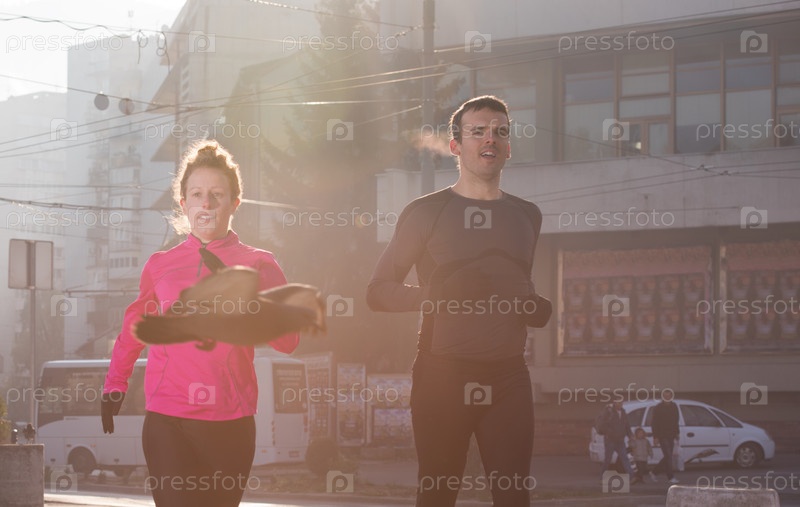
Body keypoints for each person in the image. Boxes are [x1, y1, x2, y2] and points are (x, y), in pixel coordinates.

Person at [367, 95, 551, 507]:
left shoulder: (528, 215)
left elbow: (519, 284)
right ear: (455, 145)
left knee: (514, 496)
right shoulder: (425, 212)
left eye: (500, 132)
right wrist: (435, 296)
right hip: (442, 376)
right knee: (437, 494)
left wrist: (534, 305)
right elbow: (377, 292)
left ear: (509, 146)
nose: (491, 139)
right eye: (478, 131)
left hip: (509, 377)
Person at [101, 140, 298, 507]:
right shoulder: (160, 265)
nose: (206, 204)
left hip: (230, 422)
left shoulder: (260, 263)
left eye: (216, 195)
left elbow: (289, 341)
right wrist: (115, 384)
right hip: (167, 419)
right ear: (183, 203)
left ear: (234, 202)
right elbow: (133, 329)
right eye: (197, 194)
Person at [651, 389, 680, 484]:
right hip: (662, 435)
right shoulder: (658, 408)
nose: (667, 397)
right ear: (663, 397)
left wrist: (677, 433)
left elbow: (676, 420)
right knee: (668, 456)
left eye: (669, 396)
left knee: (668, 456)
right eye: (665, 396)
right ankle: (670, 477)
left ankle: (654, 472)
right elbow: (654, 423)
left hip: (671, 435)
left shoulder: (674, 406)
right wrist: (655, 437)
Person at [600, 401, 634, 478]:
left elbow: (627, 425)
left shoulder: (623, 412)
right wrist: (610, 433)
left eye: (621, 402)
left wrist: (630, 435)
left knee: (625, 458)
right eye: (617, 402)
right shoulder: (609, 412)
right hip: (610, 440)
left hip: (620, 440)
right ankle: (602, 476)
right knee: (608, 459)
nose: (619, 404)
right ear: (614, 403)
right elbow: (603, 425)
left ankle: (632, 476)